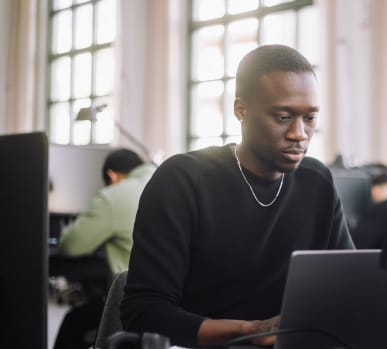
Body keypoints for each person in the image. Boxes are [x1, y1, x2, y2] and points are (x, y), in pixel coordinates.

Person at [120, 45, 355, 348]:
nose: (299, 133)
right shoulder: (184, 180)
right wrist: (251, 331)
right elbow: (143, 313)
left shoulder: (317, 182)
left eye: (309, 118)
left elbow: (351, 286)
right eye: (283, 117)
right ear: (241, 110)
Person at [53, 148, 156, 349]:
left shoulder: (114, 195)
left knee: (74, 322)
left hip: (133, 305)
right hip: (178, 305)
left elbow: (71, 245)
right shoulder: (168, 181)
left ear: (112, 175)